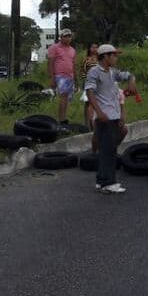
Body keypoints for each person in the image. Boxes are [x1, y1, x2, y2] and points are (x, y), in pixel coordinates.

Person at [84, 44, 136, 194]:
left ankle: (101, 181)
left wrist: (132, 81)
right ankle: (109, 183)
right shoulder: (95, 71)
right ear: (105, 56)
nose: (116, 58)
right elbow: (90, 92)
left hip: (113, 116)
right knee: (108, 151)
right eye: (114, 55)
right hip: (104, 117)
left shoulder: (112, 72)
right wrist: (99, 112)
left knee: (108, 149)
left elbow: (129, 75)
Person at [47, 28, 77, 126]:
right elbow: (50, 63)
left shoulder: (73, 50)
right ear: (61, 37)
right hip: (60, 75)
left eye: (69, 36)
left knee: (67, 98)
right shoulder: (54, 48)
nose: (68, 38)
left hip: (70, 76)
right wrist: (52, 78)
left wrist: (75, 79)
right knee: (63, 96)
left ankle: (63, 117)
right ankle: (61, 119)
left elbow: (73, 64)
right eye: (65, 36)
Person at [80, 43, 99, 139]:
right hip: (88, 84)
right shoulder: (86, 60)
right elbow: (82, 72)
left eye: (96, 47)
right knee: (88, 103)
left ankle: (95, 124)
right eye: (92, 47)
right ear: (89, 49)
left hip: (99, 85)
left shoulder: (101, 59)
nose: (94, 49)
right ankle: (87, 125)